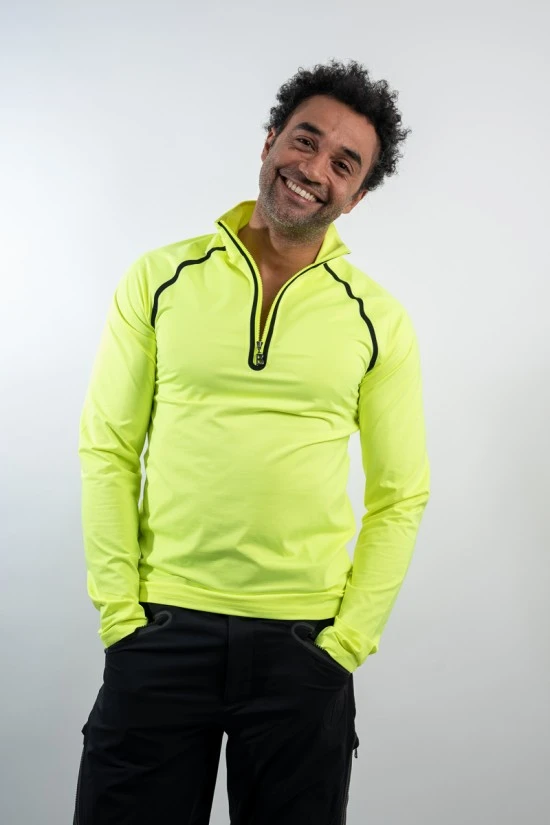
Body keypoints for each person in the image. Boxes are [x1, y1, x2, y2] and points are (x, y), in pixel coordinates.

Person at [73, 59, 430, 825]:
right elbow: (108, 448)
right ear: (269, 141)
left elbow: (402, 495)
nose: (315, 169)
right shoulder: (159, 279)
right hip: (162, 624)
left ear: (357, 196)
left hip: (304, 644)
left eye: (344, 164)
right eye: (305, 140)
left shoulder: (378, 319)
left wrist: (346, 644)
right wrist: (120, 615)